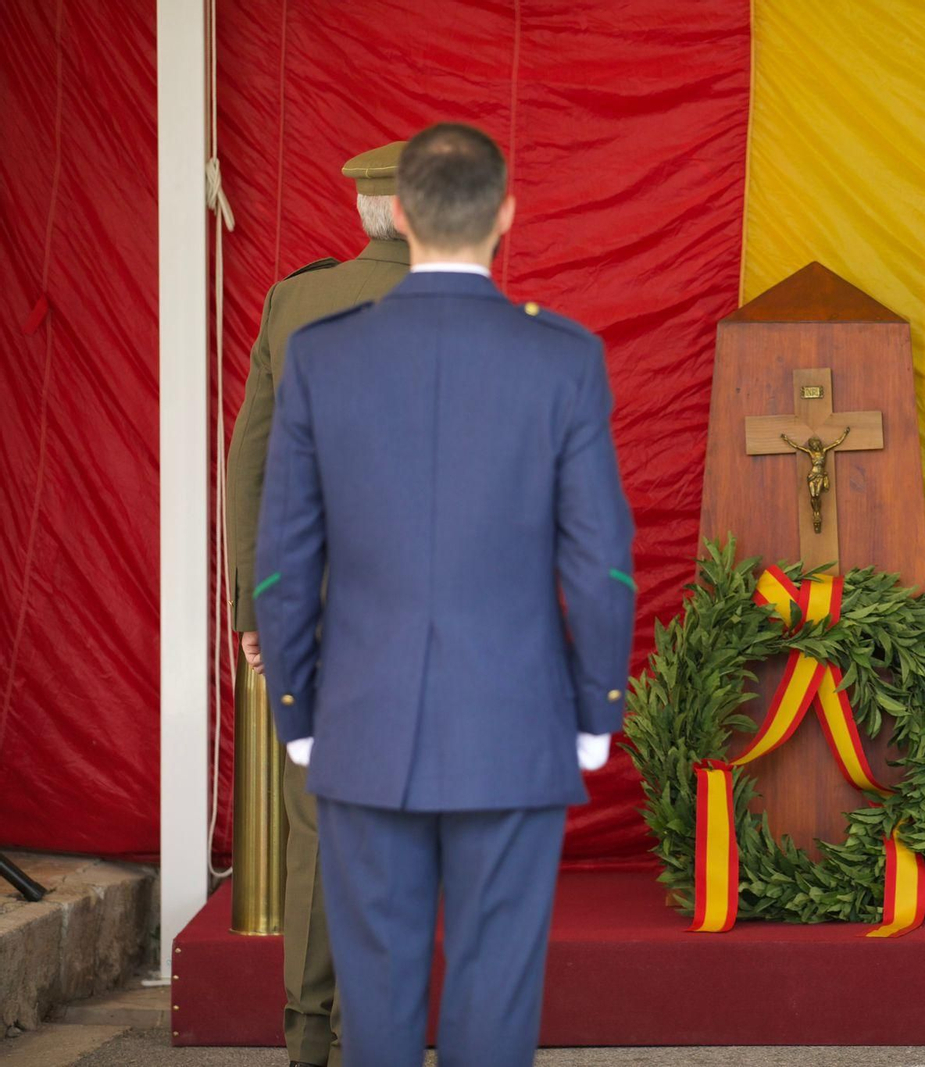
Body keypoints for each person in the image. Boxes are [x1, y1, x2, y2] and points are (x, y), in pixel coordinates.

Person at [253, 122, 634, 1067]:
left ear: (402, 217)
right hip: (513, 723)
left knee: (374, 1004)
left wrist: (296, 707)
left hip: (359, 720)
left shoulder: (323, 352)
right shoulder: (563, 358)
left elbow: (285, 551)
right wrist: (595, 712)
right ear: (507, 215)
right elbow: (600, 558)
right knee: (494, 1000)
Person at [224, 138, 411, 1067]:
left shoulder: (293, 301)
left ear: (365, 213)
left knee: (313, 826)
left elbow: (249, 466)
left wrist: (254, 614)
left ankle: (309, 1035)